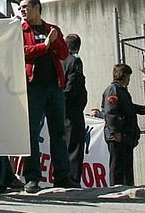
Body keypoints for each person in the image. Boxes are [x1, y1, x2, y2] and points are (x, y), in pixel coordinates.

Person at [19, 0, 78, 192]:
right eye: (20, 8)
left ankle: (62, 176)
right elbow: (22, 52)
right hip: (33, 87)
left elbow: (63, 54)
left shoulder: (52, 29)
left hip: (55, 87)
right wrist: (44, 46)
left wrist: (54, 41)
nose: (22, 10)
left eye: (26, 7)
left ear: (37, 8)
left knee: (58, 133)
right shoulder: (20, 30)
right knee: (31, 133)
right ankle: (32, 178)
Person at [103, 63, 140, 186]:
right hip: (117, 136)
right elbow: (110, 112)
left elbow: (129, 109)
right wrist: (115, 132)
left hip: (125, 136)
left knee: (126, 168)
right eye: (128, 76)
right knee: (117, 167)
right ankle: (116, 189)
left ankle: (127, 188)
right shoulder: (113, 90)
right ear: (123, 76)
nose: (129, 80)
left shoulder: (123, 91)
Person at [63, 33, 87, 185]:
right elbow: (72, 86)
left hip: (62, 110)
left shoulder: (59, 60)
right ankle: (73, 179)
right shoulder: (74, 61)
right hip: (73, 111)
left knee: (64, 145)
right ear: (77, 47)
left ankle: (63, 177)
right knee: (75, 147)